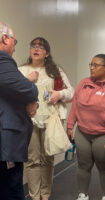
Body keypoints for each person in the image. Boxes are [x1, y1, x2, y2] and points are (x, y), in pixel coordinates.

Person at [19, 37, 74, 200]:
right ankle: (35, 195)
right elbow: (13, 91)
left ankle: (45, 194)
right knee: (31, 160)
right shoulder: (22, 70)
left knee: (48, 159)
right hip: (29, 120)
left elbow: (71, 92)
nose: (36, 49)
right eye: (33, 46)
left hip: (51, 120)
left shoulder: (55, 71)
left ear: (47, 53)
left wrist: (59, 94)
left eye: (41, 47)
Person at [67, 54, 105, 200]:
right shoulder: (83, 83)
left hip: (104, 134)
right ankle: (83, 194)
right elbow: (75, 106)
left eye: (96, 65)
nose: (92, 68)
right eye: (91, 64)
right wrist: (70, 126)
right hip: (82, 132)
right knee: (83, 165)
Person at [0, 22, 38, 200]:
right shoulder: (2, 60)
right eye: (15, 42)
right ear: (4, 38)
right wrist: (30, 89)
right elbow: (27, 90)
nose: (15, 47)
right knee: (11, 188)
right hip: (5, 143)